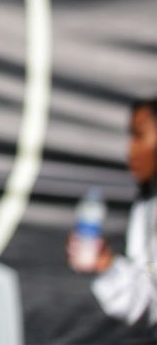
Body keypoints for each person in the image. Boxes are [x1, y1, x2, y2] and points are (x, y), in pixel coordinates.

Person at [69, 96, 157, 328]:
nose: (130, 150)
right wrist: (107, 266)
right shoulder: (146, 208)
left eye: (139, 135)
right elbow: (145, 304)